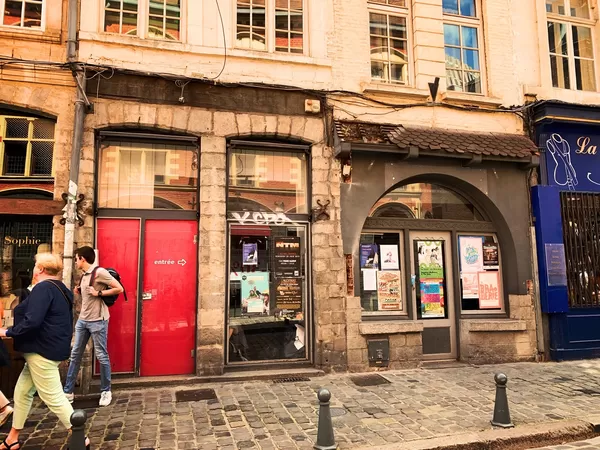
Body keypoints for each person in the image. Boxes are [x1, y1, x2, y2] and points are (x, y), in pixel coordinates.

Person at [0, 253, 90, 450]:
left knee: (53, 396)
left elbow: (33, 321)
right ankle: (12, 439)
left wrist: (7, 331)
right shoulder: (61, 289)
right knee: (22, 393)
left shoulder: (43, 288)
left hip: (42, 350)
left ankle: (81, 440)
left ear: (40, 269)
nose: (33, 270)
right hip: (48, 348)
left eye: (35, 266)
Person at [63, 246, 122, 407]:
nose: (75, 261)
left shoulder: (100, 272)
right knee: (75, 354)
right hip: (83, 320)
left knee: (102, 355)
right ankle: (68, 391)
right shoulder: (84, 275)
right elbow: (87, 294)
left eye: (76, 259)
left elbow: (119, 288)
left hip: (98, 320)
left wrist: (99, 294)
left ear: (82, 259)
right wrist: (80, 290)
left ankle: (106, 391)